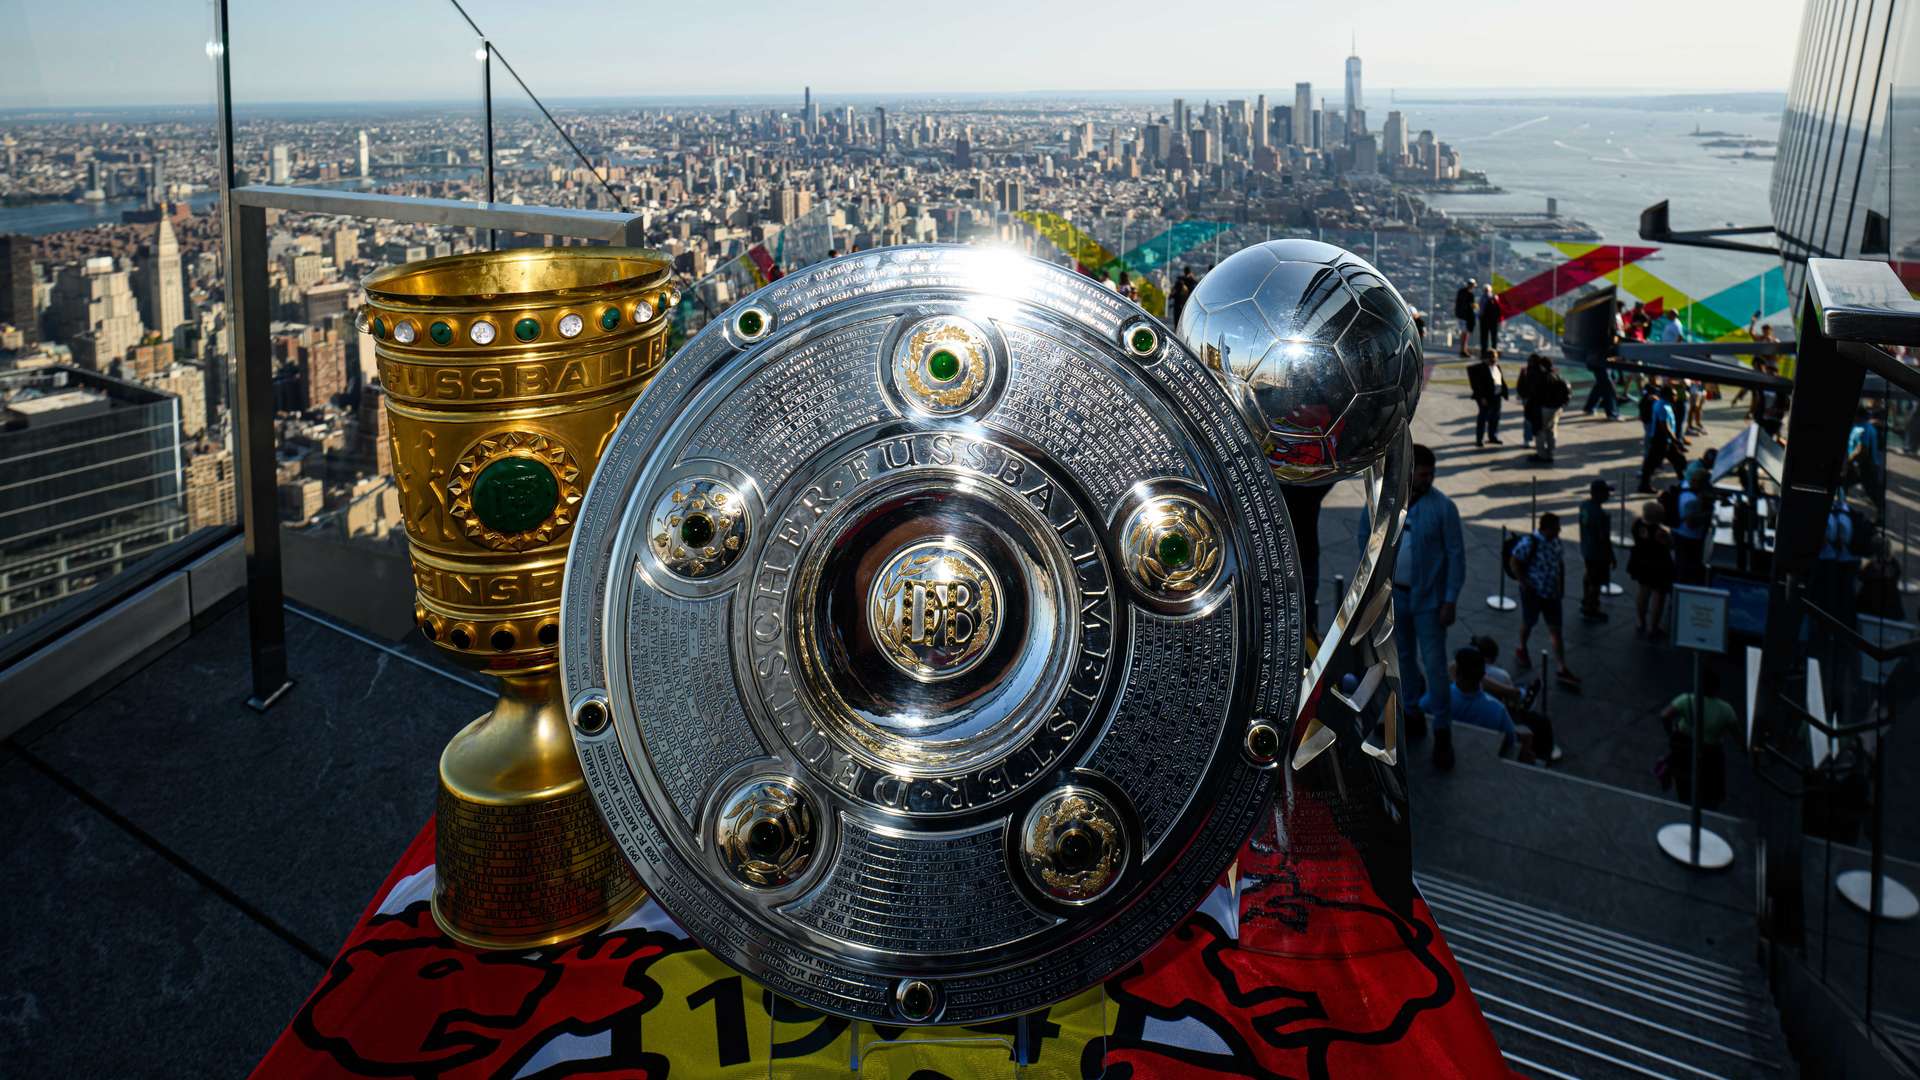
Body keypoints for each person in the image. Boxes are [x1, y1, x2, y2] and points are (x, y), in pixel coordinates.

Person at [1366, 443, 1466, 766]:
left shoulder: (1444, 509)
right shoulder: (1391, 500)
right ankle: (1410, 712)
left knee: (1436, 666)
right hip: (1397, 595)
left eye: (1431, 474)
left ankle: (1443, 730)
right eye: (1423, 474)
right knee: (1404, 658)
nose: (1428, 479)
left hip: (1429, 601)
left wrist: (1450, 599)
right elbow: (1367, 537)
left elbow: (1456, 556)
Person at [1509, 512, 1580, 686]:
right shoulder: (1529, 543)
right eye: (1556, 527)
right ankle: (1522, 647)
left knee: (1556, 629)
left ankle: (1561, 666)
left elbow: (1559, 563)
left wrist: (1560, 586)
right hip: (1533, 592)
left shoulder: (1556, 542)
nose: (1560, 530)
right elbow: (1514, 561)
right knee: (1529, 622)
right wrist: (1524, 582)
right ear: (1546, 528)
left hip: (1551, 593)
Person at [1660, 668, 1738, 810]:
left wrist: (1671, 733)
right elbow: (1737, 736)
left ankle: (1686, 808)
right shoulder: (1727, 710)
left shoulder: (1686, 700)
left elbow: (1665, 715)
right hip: (1712, 755)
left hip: (1685, 750)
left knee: (1685, 784)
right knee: (1711, 789)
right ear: (1716, 688)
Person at [1447, 648, 1533, 764]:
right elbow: (1511, 741)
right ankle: (1520, 693)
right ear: (1483, 675)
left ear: (1457, 673)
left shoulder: (1438, 697)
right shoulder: (1497, 710)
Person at [1629, 501, 1676, 636]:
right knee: (1658, 595)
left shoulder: (1637, 524)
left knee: (1643, 591)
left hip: (1641, 562)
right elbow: (1671, 546)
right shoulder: (1659, 532)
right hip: (1658, 565)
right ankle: (1653, 627)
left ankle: (1640, 622)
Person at [1637, 385, 1688, 493]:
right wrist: (1675, 440)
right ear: (1667, 395)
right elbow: (1665, 426)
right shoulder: (1662, 407)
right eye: (1674, 394)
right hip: (1661, 441)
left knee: (1679, 460)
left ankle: (1683, 481)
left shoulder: (1665, 404)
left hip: (1666, 440)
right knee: (1651, 464)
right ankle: (1644, 486)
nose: (1676, 396)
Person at [1578, 478, 1616, 621]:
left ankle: (1586, 598)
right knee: (1597, 581)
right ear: (1597, 494)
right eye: (1606, 492)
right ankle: (1591, 607)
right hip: (1598, 553)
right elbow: (1603, 538)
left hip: (1586, 548)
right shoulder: (1601, 515)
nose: (1608, 495)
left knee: (1589, 575)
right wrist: (1611, 555)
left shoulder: (1584, 506)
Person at [1524, 353, 1571, 464]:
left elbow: (1536, 394)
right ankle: (1551, 453)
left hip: (1545, 408)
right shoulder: (1555, 375)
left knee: (1540, 431)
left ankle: (1541, 455)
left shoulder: (1543, 377)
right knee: (1552, 431)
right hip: (1557, 409)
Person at [1672, 465, 1712, 586]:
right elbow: (1691, 524)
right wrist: (1709, 515)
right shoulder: (1692, 500)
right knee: (1686, 567)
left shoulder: (1684, 486)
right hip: (1688, 538)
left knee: (1681, 564)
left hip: (1678, 532)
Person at [1858, 535, 1906, 620]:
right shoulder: (1893, 563)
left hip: (1873, 606)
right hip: (1888, 607)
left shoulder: (1873, 565)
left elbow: (1861, 576)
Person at [1467, 349, 1506, 447]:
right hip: (1486, 398)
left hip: (1496, 396)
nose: (1494, 360)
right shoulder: (1481, 368)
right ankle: (1479, 439)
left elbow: (1500, 380)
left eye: (1495, 358)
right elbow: (1477, 385)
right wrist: (1482, 398)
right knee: (1483, 418)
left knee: (1495, 418)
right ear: (1487, 358)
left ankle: (1493, 436)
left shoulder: (1497, 367)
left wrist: (1503, 392)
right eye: (1492, 358)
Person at [1454, 279, 1478, 357]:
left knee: (1463, 333)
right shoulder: (1470, 294)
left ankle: (1463, 349)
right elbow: (1472, 306)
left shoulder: (1461, 292)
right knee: (1465, 333)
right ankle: (1463, 350)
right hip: (1466, 317)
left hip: (1460, 315)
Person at [1478, 284, 1504, 357]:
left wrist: (1480, 317)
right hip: (1494, 321)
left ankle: (1483, 353)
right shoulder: (1495, 297)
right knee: (1494, 338)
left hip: (1484, 320)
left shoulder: (1482, 298)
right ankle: (1494, 354)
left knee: (1484, 338)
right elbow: (1499, 309)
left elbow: (1481, 310)